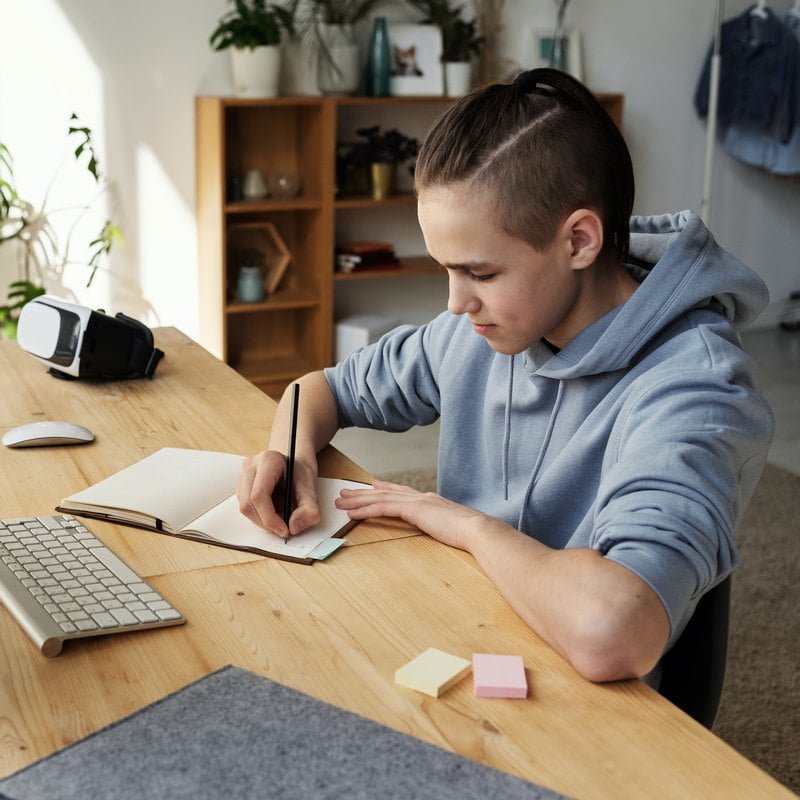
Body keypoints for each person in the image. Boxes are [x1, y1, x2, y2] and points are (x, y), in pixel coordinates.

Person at [237, 68, 773, 685]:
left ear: (578, 240)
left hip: (588, 704)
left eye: (481, 273)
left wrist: (463, 524)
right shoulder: (484, 328)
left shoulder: (695, 390)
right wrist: (290, 454)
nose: (454, 303)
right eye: (445, 269)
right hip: (463, 631)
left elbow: (614, 632)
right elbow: (318, 390)